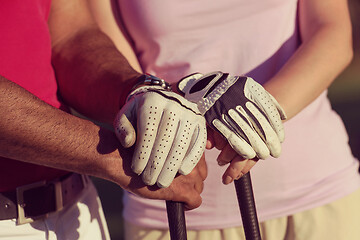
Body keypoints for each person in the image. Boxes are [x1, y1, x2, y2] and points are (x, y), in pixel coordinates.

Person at [102, 0, 360, 239]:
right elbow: (111, 66)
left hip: (317, 195)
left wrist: (258, 112)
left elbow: (332, 32)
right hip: (173, 208)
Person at [0, 0, 208, 239]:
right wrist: (114, 157)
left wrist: (138, 93)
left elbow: (70, 36)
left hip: (77, 207)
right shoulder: (111, 158)